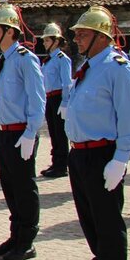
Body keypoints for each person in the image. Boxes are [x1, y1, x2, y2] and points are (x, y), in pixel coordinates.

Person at [65, 5, 130, 260]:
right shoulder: (89, 67)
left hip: (102, 154)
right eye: (77, 35)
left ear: (102, 36)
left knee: (107, 222)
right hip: (80, 155)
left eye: (83, 35)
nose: (77, 40)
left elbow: (129, 116)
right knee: (90, 221)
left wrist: (121, 158)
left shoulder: (118, 69)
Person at [0, 4, 45, 260]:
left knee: (24, 188)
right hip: (5, 132)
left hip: (22, 132)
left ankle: (27, 240)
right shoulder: (5, 59)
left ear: (10, 32)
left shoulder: (25, 58)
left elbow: (37, 98)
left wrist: (32, 132)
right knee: (10, 187)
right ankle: (15, 235)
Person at [39, 23, 73, 178]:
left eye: (47, 40)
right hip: (49, 98)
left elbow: (66, 83)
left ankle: (62, 166)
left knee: (60, 133)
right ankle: (56, 162)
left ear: (56, 41)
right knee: (53, 131)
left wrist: (65, 103)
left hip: (58, 98)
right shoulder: (48, 60)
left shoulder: (62, 59)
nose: (44, 43)